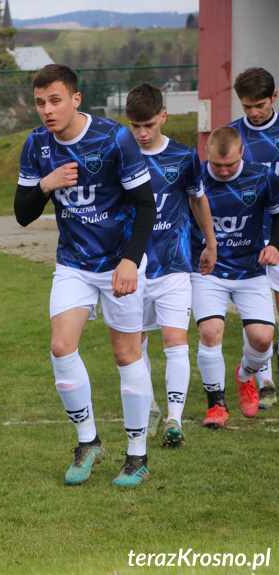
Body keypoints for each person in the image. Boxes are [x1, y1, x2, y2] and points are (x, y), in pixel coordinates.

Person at [14, 64, 157, 486]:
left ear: (76, 99)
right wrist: (46, 185)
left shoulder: (115, 138)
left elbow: (146, 207)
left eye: (55, 101)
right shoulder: (37, 145)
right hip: (74, 263)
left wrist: (131, 260)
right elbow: (22, 215)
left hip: (120, 261)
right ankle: (89, 442)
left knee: (126, 354)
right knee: (61, 347)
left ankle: (137, 455)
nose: (47, 110)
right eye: (40, 103)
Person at [124, 83, 217, 447]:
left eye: (148, 124)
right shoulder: (120, 155)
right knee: (137, 343)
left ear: (163, 116)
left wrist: (210, 242)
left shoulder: (183, 156)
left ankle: (174, 419)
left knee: (175, 341)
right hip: (131, 267)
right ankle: (148, 406)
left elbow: (197, 200)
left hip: (174, 264)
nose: (142, 133)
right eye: (135, 126)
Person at [192, 127, 279, 429]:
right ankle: (216, 405)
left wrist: (275, 245)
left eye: (229, 164)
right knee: (211, 332)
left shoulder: (263, 176)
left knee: (262, 339)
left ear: (242, 153)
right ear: (208, 156)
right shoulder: (195, 176)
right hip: (207, 270)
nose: (224, 171)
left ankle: (245, 375)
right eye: (217, 165)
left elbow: (278, 214)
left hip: (251, 270)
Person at [228, 67, 279, 408]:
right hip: (250, 233)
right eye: (246, 106)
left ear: (274, 97)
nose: (253, 112)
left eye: (259, 104)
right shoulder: (231, 136)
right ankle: (266, 379)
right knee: (263, 309)